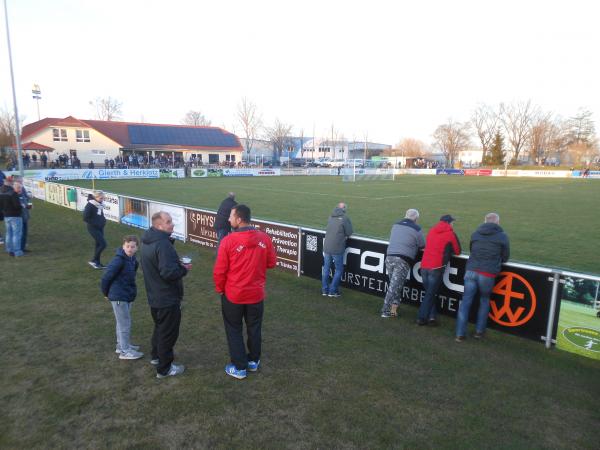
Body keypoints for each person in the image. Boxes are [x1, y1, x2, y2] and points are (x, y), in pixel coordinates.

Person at [213, 204, 276, 379]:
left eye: (231, 216)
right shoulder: (264, 238)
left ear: (239, 219)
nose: (228, 219)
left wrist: (220, 289)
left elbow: (219, 271)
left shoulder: (228, 241)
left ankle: (240, 367)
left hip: (234, 295)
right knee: (254, 327)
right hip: (255, 295)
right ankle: (253, 361)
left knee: (234, 329)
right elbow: (271, 263)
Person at [141, 211, 191, 379]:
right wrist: (183, 269)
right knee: (167, 333)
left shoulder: (148, 240)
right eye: (168, 222)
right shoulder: (162, 244)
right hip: (166, 297)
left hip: (154, 295)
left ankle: (156, 356)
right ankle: (165, 368)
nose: (172, 224)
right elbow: (168, 272)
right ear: (159, 225)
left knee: (160, 328)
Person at [455, 213, 510, 342]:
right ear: (497, 222)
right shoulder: (502, 236)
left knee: (466, 302)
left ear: (484, 221)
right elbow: (506, 256)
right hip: (487, 273)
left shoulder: (475, 234)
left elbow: (472, 249)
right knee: (484, 300)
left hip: (471, 270)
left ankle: (459, 333)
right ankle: (479, 332)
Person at [101, 235, 144, 359]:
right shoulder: (119, 260)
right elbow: (106, 277)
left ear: (137, 248)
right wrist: (105, 293)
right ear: (123, 246)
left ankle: (121, 346)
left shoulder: (132, 260)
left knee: (121, 323)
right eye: (127, 246)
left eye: (133, 247)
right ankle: (125, 351)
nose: (130, 249)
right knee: (124, 324)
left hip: (126, 295)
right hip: (119, 297)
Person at [417, 214, 461, 325]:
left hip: (424, 266)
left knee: (429, 293)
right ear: (448, 223)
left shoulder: (432, 231)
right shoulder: (451, 234)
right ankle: (421, 318)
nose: (453, 224)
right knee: (430, 294)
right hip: (436, 268)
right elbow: (458, 251)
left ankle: (432, 317)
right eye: (452, 222)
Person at [380, 209, 425, 318]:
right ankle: (385, 311)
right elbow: (422, 245)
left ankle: (393, 309)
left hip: (389, 257)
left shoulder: (395, 225)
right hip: (402, 260)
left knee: (395, 285)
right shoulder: (417, 228)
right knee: (394, 286)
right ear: (416, 218)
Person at [321, 202, 353, 297]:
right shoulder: (344, 218)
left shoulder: (330, 217)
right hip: (337, 247)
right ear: (344, 209)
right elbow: (349, 232)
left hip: (327, 246)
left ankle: (324, 290)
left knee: (326, 268)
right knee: (338, 269)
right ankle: (333, 291)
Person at [0, 176, 24, 257]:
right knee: (16, 234)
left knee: (8, 233)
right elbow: (17, 206)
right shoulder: (13, 193)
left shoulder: (2, 192)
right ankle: (17, 251)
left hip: (6, 215)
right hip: (15, 216)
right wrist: (23, 206)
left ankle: (9, 249)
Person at [83, 191, 107, 269]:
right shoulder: (90, 205)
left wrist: (103, 221)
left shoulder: (99, 205)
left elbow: (100, 215)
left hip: (100, 227)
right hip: (93, 228)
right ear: (96, 197)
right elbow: (85, 218)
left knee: (98, 245)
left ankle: (97, 263)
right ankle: (94, 261)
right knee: (103, 244)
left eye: (103, 198)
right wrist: (96, 223)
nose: (102, 199)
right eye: (101, 198)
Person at [13, 181, 32, 253]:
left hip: (24, 216)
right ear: (14, 188)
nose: (20, 189)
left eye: (20, 187)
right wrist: (23, 206)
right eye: (18, 188)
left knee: (24, 233)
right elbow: (15, 206)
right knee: (19, 234)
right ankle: (18, 249)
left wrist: (28, 206)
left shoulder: (21, 194)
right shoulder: (13, 196)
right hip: (18, 217)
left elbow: (25, 203)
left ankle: (22, 248)